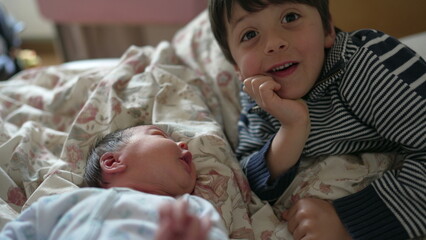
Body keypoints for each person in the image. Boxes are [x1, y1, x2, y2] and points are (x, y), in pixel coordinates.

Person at [208, 0, 426, 239]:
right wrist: (291, 129)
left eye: (290, 18)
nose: (274, 43)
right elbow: (248, 179)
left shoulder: (366, 66)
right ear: (237, 68)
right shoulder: (259, 94)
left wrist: (346, 221)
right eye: (250, 34)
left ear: (327, 30)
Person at [0, 125, 228, 240]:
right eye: (159, 135)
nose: (183, 144)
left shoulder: (190, 210)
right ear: (112, 162)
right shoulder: (70, 202)